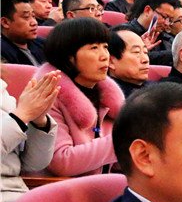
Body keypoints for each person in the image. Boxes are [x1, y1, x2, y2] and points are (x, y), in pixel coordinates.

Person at [36, 18, 125, 176]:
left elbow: (112, 163)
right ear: (69, 56)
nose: (105, 56)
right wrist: (124, 139)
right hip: (61, 188)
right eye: (94, 48)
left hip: (101, 186)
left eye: (105, 47)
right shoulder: (48, 96)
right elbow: (61, 162)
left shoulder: (107, 99)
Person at [1, 71, 59, 202]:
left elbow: (33, 164)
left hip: (18, 197)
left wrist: (39, 123)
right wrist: (20, 116)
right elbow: (65, 162)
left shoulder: (3, 93)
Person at [1, 0, 45, 66]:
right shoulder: (2, 53)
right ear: (5, 22)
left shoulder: (42, 43)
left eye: (33, 16)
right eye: (26, 16)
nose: (34, 22)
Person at [108, 28, 152, 98]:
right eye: (136, 52)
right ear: (111, 61)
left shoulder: (156, 89)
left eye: (145, 52)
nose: (145, 60)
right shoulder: (109, 97)